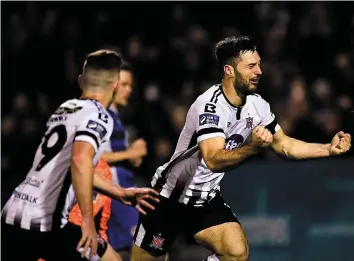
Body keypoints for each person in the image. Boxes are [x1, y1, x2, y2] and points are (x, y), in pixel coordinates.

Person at [130, 36, 352, 261]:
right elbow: (214, 159)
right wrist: (253, 146)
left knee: (236, 253)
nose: (260, 71)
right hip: (168, 197)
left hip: (205, 200)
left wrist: (327, 149)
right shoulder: (209, 106)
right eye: (251, 66)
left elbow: (285, 145)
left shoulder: (257, 105)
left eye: (259, 64)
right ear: (229, 70)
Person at [1, 49, 159, 261]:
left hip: (13, 211)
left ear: (80, 81)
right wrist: (87, 220)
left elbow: (72, 165)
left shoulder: (65, 109)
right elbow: (80, 160)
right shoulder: (100, 116)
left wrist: (118, 192)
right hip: (45, 223)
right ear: (115, 86)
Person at [101, 62, 147, 261]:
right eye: (124, 85)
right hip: (115, 193)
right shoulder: (102, 117)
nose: (129, 90)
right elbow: (92, 156)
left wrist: (132, 157)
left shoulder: (116, 117)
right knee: (143, 248)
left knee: (122, 252)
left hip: (122, 191)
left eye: (130, 85)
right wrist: (130, 153)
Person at [38, 158, 118, 261]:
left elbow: (103, 213)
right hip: (54, 225)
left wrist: (102, 237)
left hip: (75, 229)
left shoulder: (103, 169)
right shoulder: (65, 156)